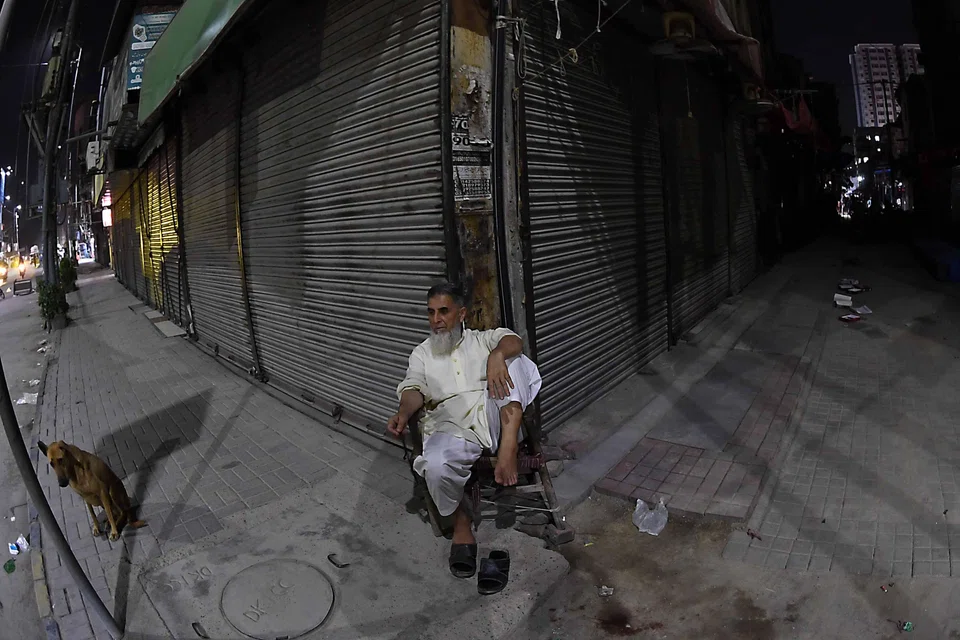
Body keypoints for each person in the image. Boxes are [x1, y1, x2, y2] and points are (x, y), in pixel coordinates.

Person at [387, 282, 541, 578]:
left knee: (515, 360)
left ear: (461, 314)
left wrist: (497, 355)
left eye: (444, 311)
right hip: (450, 425)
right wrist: (403, 413)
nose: (436, 320)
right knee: (434, 465)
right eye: (431, 313)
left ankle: (508, 449)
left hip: (495, 417)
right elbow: (413, 388)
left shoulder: (482, 340)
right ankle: (461, 522)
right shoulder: (422, 354)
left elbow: (514, 341)